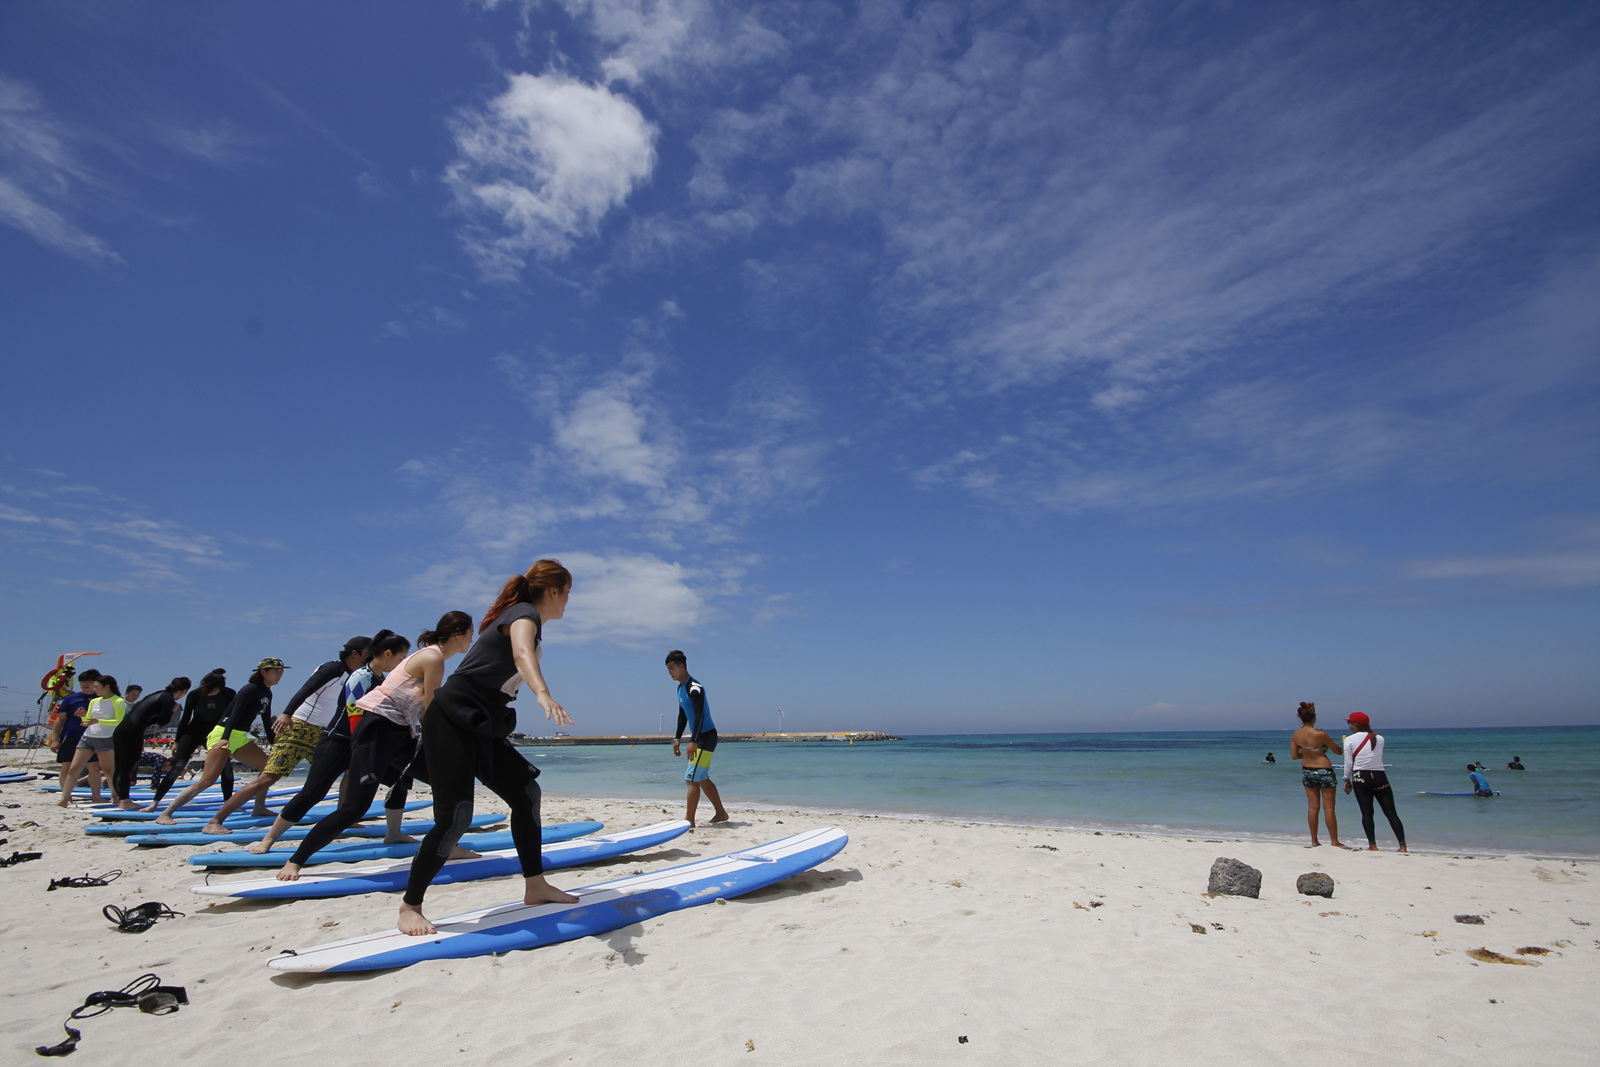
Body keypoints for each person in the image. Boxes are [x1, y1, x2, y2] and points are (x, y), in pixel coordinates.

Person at [398, 561, 579, 936]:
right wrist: (543, 694)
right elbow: (520, 654)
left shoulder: (524, 617)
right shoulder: (524, 614)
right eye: (568, 593)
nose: (568, 603)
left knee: (526, 792)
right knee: (456, 816)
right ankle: (409, 906)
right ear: (554, 591)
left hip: (482, 721)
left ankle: (535, 885)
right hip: (452, 718)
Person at [276, 617, 474, 878]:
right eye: (471, 633)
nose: (473, 639)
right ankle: (296, 860)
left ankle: (448, 846)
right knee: (353, 809)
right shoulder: (433, 658)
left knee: (447, 782)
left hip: (400, 734)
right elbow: (431, 708)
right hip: (377, 733)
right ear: (458, 634)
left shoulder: (434, 658)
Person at [245, 631, 411, 854]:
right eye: (401, 658)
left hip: (364, 745)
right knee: (313, 793)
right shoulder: (362, 675)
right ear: (387, 654)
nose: (402, 664)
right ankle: (268, 839)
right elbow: (353, 711)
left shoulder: (383, 679)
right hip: (339, 742)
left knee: (400, 779)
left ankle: (393, 833)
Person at [195, 638, 370, 834]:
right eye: (368, 652)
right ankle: (215, 820)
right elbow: (306, 689)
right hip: (298, 727)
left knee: (348, 768)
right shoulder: (333, 668)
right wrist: (286, 713)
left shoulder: (355, 675)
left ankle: (343, 817)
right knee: (269, 777)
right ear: (355, 653)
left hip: (321, 732)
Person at [152, 659, 286, 824]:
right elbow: (233, 714)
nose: (279, 674)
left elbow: (266, 719)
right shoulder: (250, 689)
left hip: (240, 737)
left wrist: (273, 743)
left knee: (268, 768)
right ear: (263, 672)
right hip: (223, 734)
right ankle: (165, 813)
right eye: (275, 671)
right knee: (207, 780)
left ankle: (259, 808)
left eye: (281, 671)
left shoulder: (267, 693)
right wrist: (224, 738)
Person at [145, 670, 235, 809]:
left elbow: (231, 718)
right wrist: (177, 740)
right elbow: (186, 718)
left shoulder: (229, 694)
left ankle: (228, 803)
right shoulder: (195, 694)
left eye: (213, 690)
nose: (209, 692)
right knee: (178, 766)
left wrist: (226, 738)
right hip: (193, 732)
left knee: (226, 767)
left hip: (215, 734)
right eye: (207, 689)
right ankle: (155, 802)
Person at [667, 650, 729, 828]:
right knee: (701, 778)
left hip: (706, 737)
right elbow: (683, 715)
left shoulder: (695, 687)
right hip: (699, 737)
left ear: (682, 666)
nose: (670, 672)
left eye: (672, 668)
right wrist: (677, 738)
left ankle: (689, 821)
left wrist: (693, 741)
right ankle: (721, 813)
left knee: (691, 778)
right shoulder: (680, 688)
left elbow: (700, 715)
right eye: (668, 669)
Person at [111, 677, 190, 807]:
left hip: (121, 730)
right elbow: (163, 722)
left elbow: (147, 718)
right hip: (132, 733)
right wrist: (172, 710)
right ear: (183, 691)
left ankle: (118, 798)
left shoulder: (157, 694)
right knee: (127, 767)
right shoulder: (168, 699)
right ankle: (125, 801)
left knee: (120, 767)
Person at [57, 676, 127, 806]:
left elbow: (118, 721)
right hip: (88, 737)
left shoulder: (118, 701)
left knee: (108, 770)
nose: (94, 689)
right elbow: (87, 721)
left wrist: (98, 721)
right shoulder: (94, 701)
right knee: (74, 768)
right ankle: (64, 799)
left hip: (105, 739)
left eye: (96, 686)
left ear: (107, 686)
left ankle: (115, 795)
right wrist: (83, 716)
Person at [1342, 712, 1406, 853]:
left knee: (1367, 813)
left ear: (1356, 724)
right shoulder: (1380, 738)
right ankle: (1402, 846)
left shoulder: (1349, 740)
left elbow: (1348, 762)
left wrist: (1346, 779)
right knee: (1391, 813)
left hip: (1361, 776)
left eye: (1350, 723)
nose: (1349, 726)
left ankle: (1373, 845)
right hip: (1379, 776)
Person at [1289, 702, 1344, 848]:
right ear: (1314, 717)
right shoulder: (1320, 734)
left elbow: (1294, 756)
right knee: (1329, 807)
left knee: (1313, 807)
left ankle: (1314, 840)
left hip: (1307, 770)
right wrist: (1320, 750)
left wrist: (1307, 753)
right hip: (1324, 769)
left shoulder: (1296, 734)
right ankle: (1334, 841)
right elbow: (1338, 751)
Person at [48, 670, 103, 797]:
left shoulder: (101, 699)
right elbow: (59, 720)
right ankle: (66, 795)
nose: (86, 684)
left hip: (93, 736)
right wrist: (55, 740)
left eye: (90, 681)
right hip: (71, 735)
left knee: (94, 767)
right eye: (83, 681)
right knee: (67, 766)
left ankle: (96, 796)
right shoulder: (70, 699)